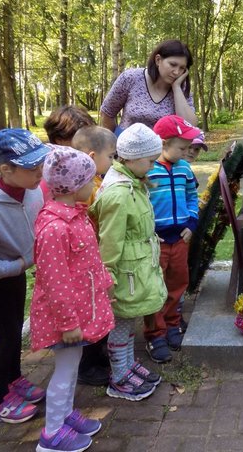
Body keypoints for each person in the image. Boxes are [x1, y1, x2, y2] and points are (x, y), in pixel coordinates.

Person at [31, 147, 115, 452]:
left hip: (79, 311)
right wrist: (67, 324)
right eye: (89, 180)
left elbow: (88, 261)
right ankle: (52, 433)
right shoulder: (55, 228)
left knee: (72, 367)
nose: (93, 184)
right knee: (65, 374)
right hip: (66, 319)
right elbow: (55, 282)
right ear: (73, 185)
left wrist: (104, 281)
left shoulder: (76, 217)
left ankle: (65, 415)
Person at [0, 129, 50, 424]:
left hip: (15, 273)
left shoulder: (32, 190)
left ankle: (13, 379)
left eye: (41, 165)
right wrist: (17, 265)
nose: (40, 173)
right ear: (6, 169)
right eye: (32, 167)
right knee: (4, 338)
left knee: (14, 332)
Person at [89, 123, 167, 401]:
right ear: (132, 158)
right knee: (121, 325)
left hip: (136, 268)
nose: (153, 166)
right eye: (150, 161)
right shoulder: (120, 194)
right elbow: (109, 242)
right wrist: (108, 277)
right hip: (123, 274)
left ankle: (128, 365)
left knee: (128, 322)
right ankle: (119, 376)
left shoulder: (133, 184)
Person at [143, 115, 200, 363]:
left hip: (180, 239)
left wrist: (192, 223)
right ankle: (155, 334)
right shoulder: (148, 170)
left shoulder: (184, 169)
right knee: (155, 287)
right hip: (155, 241)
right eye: (182, 148)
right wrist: (148, 231)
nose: (187, 153)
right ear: (163, 143)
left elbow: (192, 197)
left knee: (177, 283)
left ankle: (172, 324)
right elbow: (141, 203)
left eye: (188, 148)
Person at [100, 39, 197, 131]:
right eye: (173, 64)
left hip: (164, 144)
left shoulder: (182, 90)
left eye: (182, 68)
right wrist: (114, 140)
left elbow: (189, 126)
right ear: (158, 60)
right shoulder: (131, 78)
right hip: (126, 142)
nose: (176, 72)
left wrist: (176, 88)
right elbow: (107, 112)